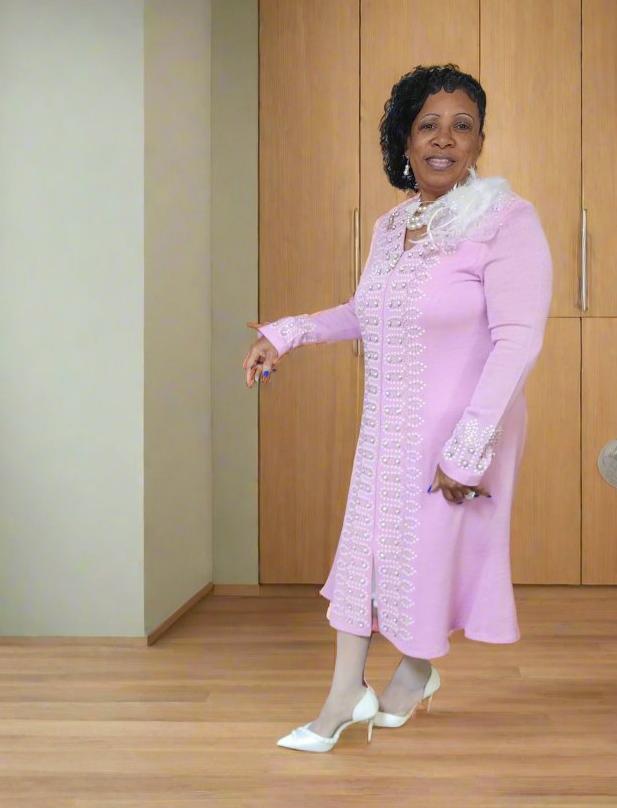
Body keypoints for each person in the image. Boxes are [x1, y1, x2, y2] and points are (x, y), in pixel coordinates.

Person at [242, 63, 553, 753]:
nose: (444, 139)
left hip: (466, 425)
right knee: (369, 550)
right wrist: (285, 333)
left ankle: (402, 676)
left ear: (479, 141)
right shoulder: (391, 225)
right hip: (388, 425)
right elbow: (366, 310)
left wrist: (467, 450)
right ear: (405, 140)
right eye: (427, 125)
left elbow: (518, 341)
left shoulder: (506, 221)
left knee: (429, 556)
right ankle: (352, 691)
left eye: (462, 126)